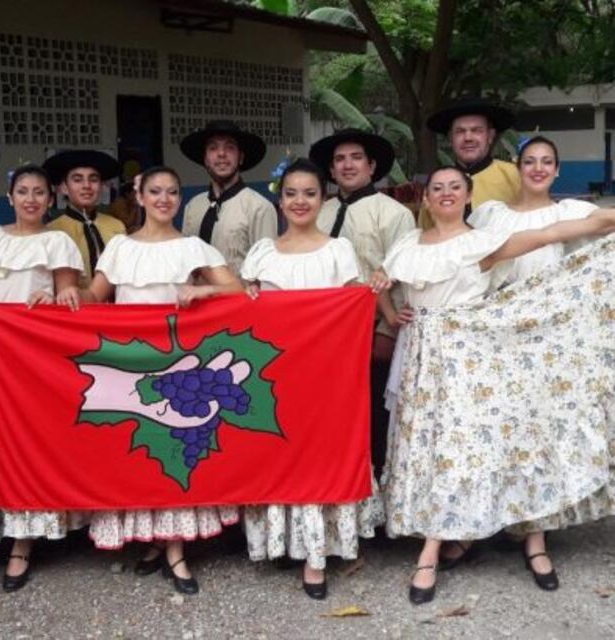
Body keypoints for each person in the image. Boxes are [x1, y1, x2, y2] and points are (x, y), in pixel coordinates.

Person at [369, 166, 615, 605]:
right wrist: (389, 312)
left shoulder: (481, 242)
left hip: (471, 359)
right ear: (426, 199)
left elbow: (551, 233)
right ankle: (450, 536)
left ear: (468, 197)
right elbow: (379, 280)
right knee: (427, 445)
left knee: (467, 447)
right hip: (421, 359)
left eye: (455, 188)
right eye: (437, 187)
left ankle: (443, 548)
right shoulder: (408, 244)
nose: (445, 194)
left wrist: (608, 218)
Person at [57, 166, 243, 595]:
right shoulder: (120, 246)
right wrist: (68, 294)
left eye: (172, 192)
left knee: (170, 444)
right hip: (129, 360)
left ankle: (174, 546)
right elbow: (95, 296)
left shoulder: (193, 246)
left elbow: (239, 290)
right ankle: (153, 542)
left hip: (178, 360)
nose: (164, 198)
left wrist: (203, 292)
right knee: (137, 447)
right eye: (155, 191)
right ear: (138, 196)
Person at [240, 159, 385, 599]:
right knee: (277, 451)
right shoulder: (261, 253)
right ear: (279, 199)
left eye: (309, 193)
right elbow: (243, 315)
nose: (299, 201)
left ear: (322, 199)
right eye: (291, 193)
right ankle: (281, 541)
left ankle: (317, 556)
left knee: (321, 455)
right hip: (273, 376)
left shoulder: (338, 251)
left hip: (325, 376)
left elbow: (353, 312)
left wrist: (371, 295)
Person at [0, 165, 86, 593]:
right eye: (23, 191)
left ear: (52, 199)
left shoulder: (57, 241)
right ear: (9, 196)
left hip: (33, 358)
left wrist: (53, 298)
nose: (31, 199)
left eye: (40, 192)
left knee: (30, 438)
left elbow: (70, 298)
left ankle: (25, 539)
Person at [309, 129, 416, 475]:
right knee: (330, 412)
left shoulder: (394, 213)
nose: (347, 165)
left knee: (373, 413)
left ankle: (377, 489)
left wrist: (388, 330)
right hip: (324, 330)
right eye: (340, 159)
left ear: (372, 166)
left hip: (372, 328)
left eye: (356, 158)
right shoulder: (318, 211)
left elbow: (402, 276)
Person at [471, 135, 600, 285]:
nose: (538, 169)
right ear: (518, 168)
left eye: (547, 162)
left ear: (556, 170)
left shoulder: (568, 212)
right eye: (529, 162)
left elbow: (607, 222)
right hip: (495, 304)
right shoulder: (490, 212)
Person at [180, 120, 278, 275]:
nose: (221, 154)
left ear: (240, 158)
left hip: (239, 298)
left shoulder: (259, 207)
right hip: (195, 297)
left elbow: (267, 271)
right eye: (213, 148)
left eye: (230, 147)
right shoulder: (193, 206)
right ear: (205, 159)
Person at [418, 97, 520, 230]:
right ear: (450, 138)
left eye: (476, 130)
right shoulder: (437, 185)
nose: (468, 138)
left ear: (490, 136)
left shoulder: (514, 176)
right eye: (460, 131)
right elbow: (425, 233)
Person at [44, 149, 126, 286]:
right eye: (77, 180)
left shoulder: (117, 226)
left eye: (93, 179)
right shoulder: (52, 231)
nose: (86, 186)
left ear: (101, 186)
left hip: (114, 305)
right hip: (71, 305)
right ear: (64, 187)